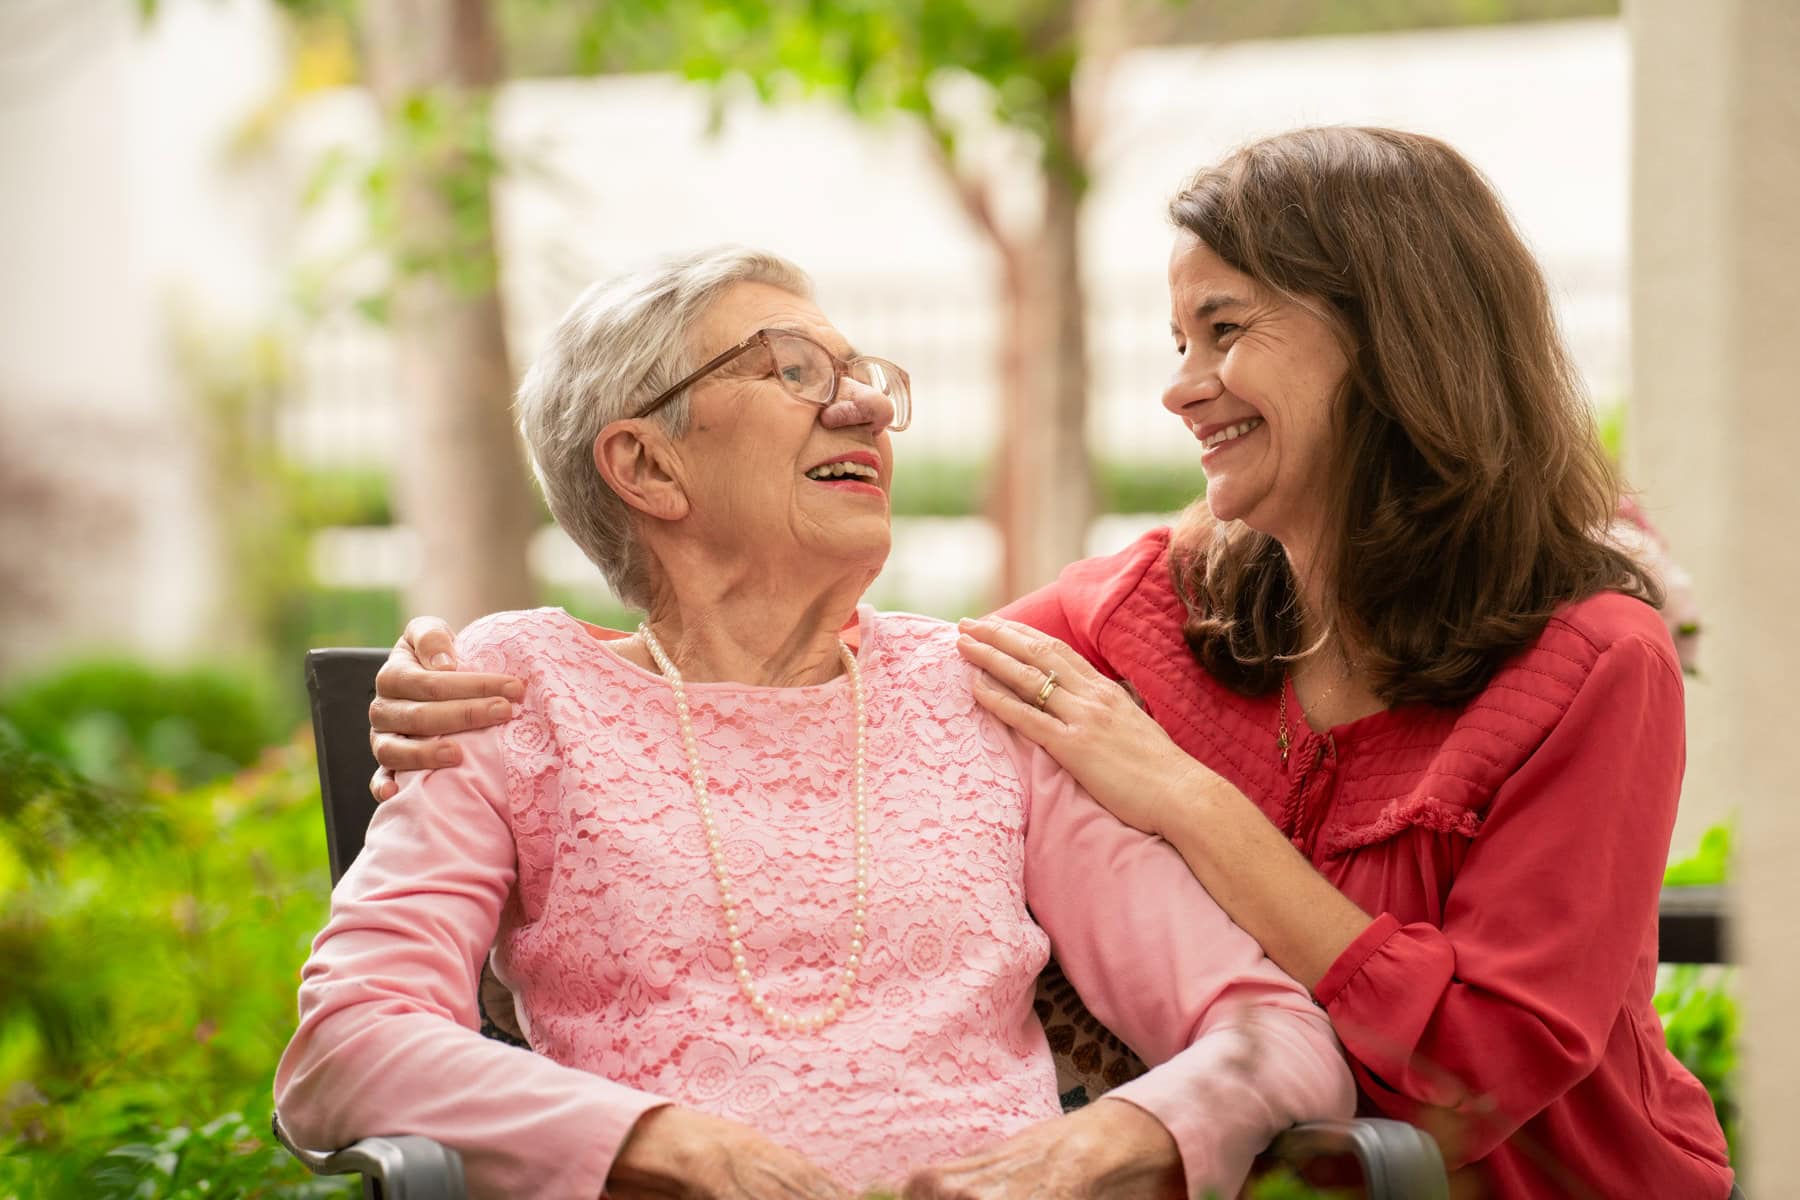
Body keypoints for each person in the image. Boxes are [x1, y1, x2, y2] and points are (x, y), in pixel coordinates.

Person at [368, 129, 1736, 1198]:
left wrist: (1187, 827)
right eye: (792, 368)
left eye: (1227, 329)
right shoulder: (1150, 605)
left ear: (1388, 338)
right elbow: (858, 675)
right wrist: (476, 673)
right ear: (643, 460)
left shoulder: (1594, 662)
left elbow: (1465, 1075)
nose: (1180, 384)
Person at [275, 246, 1353, 1200]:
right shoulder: (511, 694)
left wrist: (1102, 1146)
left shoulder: (979, 693)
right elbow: (347, 1044)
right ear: (646, 464)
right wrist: (663, 1145)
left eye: (869, 379)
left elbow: (1276, 1032)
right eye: (795, 370)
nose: (867, 409)